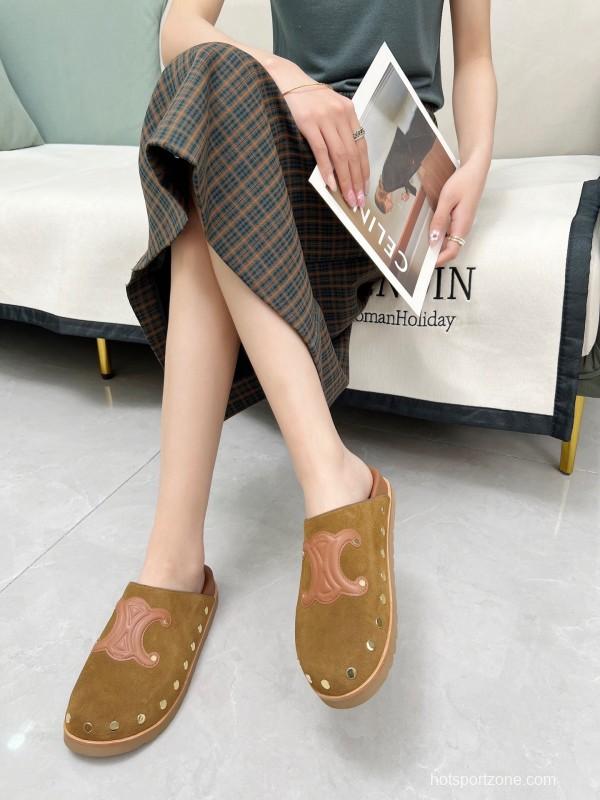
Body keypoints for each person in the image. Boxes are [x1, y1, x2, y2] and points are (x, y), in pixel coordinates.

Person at [63, 0, 496, 756]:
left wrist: (478, 162)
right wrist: (292, 82)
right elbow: (177, 29)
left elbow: (476, 57)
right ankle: (322, 480)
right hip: (283, 142)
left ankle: (176, 559)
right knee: (208, 77)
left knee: (206, 179)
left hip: (387, 167)